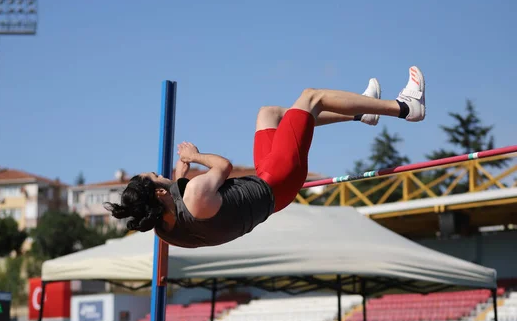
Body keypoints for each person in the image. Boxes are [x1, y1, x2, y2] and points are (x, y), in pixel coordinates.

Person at [105, 67, 426, 248]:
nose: (160, 175)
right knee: (310, 97)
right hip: (278, 178)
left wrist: (178, 178)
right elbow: (223, 166)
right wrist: (196, 156)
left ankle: (361, 113)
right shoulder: (194, 195)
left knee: (268, 114)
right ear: (159, 192)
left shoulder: (166, 231)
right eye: (156, 177)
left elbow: (187, 208)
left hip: (267, 189)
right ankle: (405, 107)